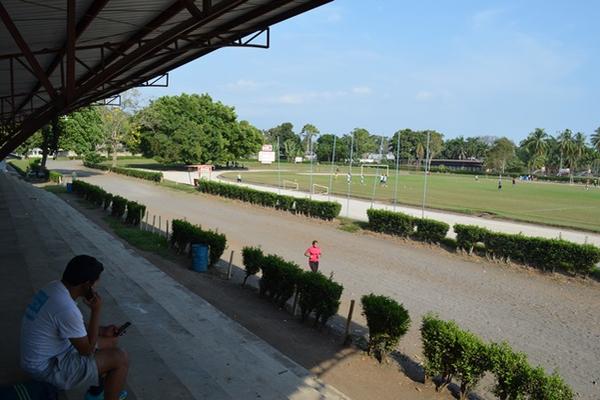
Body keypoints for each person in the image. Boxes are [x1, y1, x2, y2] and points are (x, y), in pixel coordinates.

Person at [21, 255, 129, 400]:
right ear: (86, 285)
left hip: (45, 356)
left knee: (110, 341)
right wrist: (96, 311)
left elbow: (71, 327)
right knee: (121, 358)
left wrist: (102, 330)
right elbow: (87, 350)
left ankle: (98, 393)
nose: (96, 286)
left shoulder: (54, 288)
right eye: (95, 283)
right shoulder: (66, 308)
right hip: (47, 369)